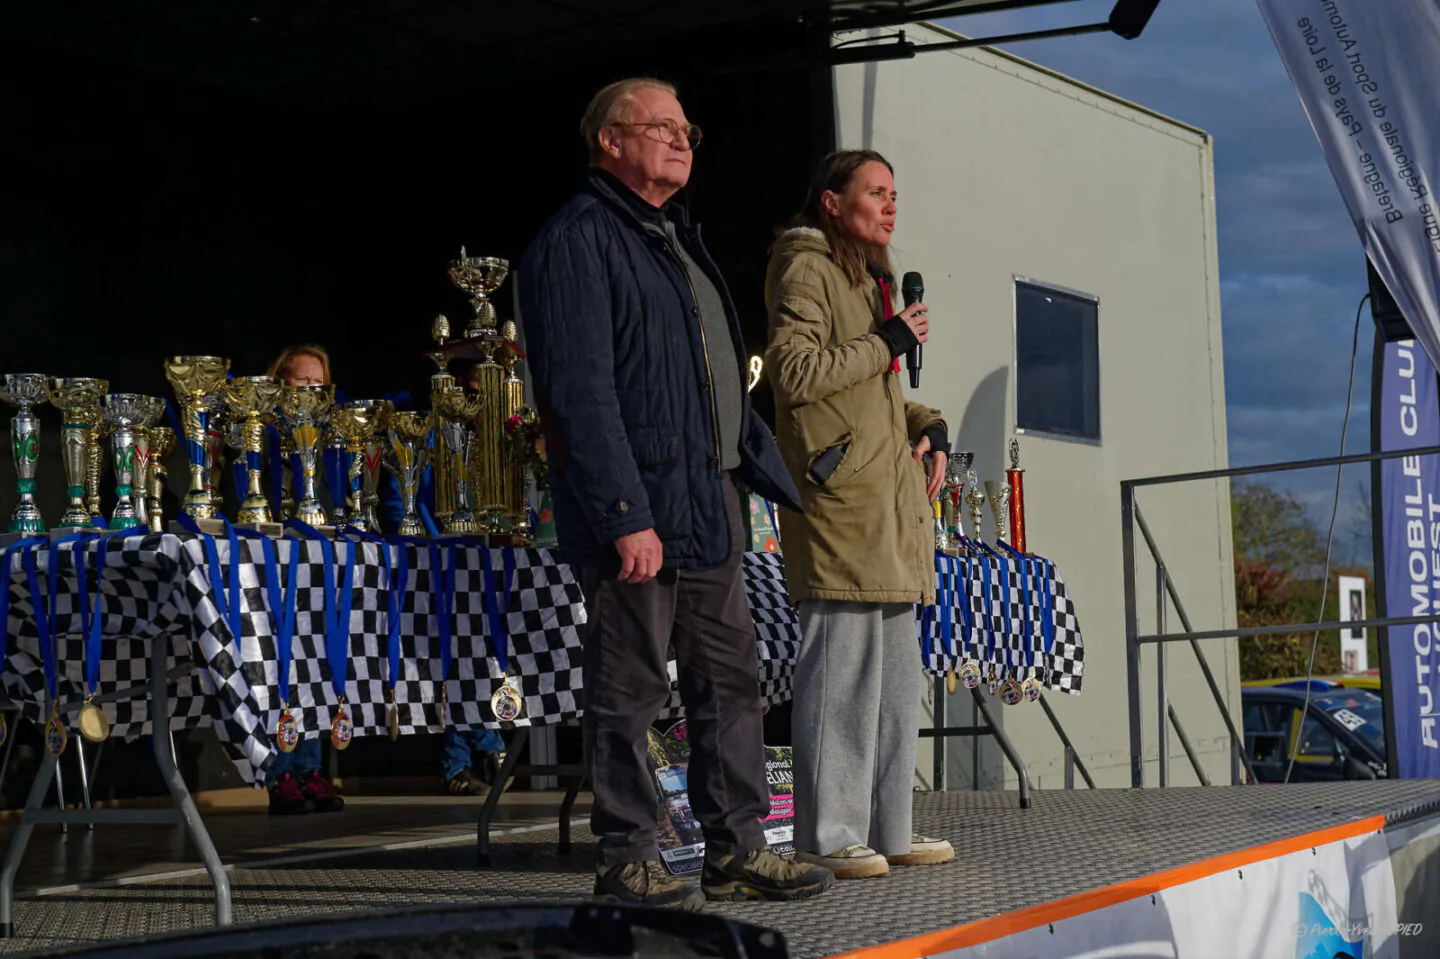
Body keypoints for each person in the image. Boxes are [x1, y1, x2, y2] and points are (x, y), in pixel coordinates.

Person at [518, 77, 833, 910]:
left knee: (729, 679)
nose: (682, 138)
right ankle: (627, 853)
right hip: (639, 511)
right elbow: (580, 395)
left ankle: (737, 847)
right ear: (609, 142)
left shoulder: (675, 240)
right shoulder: (579, 240)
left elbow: (713, 380)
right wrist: (625, 515)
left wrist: (755, 467)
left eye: (686, 126)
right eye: (659, 126)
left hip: (708, 502)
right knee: (630, 687)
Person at [764, 149, 954, 879]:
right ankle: (826, 830)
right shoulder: (806, 265)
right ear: (832, 202)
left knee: (897, 681)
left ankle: (888, 826)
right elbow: (797, 372)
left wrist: (927, 424)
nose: (890, 204)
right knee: (842, 674)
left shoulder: (864, 277)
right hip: (840, 503)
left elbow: (870, 396)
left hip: (886, 505)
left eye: (895, 193)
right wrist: (888, 340)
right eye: (875, 191)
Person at [264, 344, 346, 816]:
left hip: (320, 560)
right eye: (302, 382)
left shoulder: (332, 436)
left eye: (319, 383)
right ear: (280, 384)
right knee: (283, 669)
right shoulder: (263, 433)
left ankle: (313, 771)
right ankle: (281, 776)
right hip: (276, 560)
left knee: (317, 666)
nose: (311, 390)